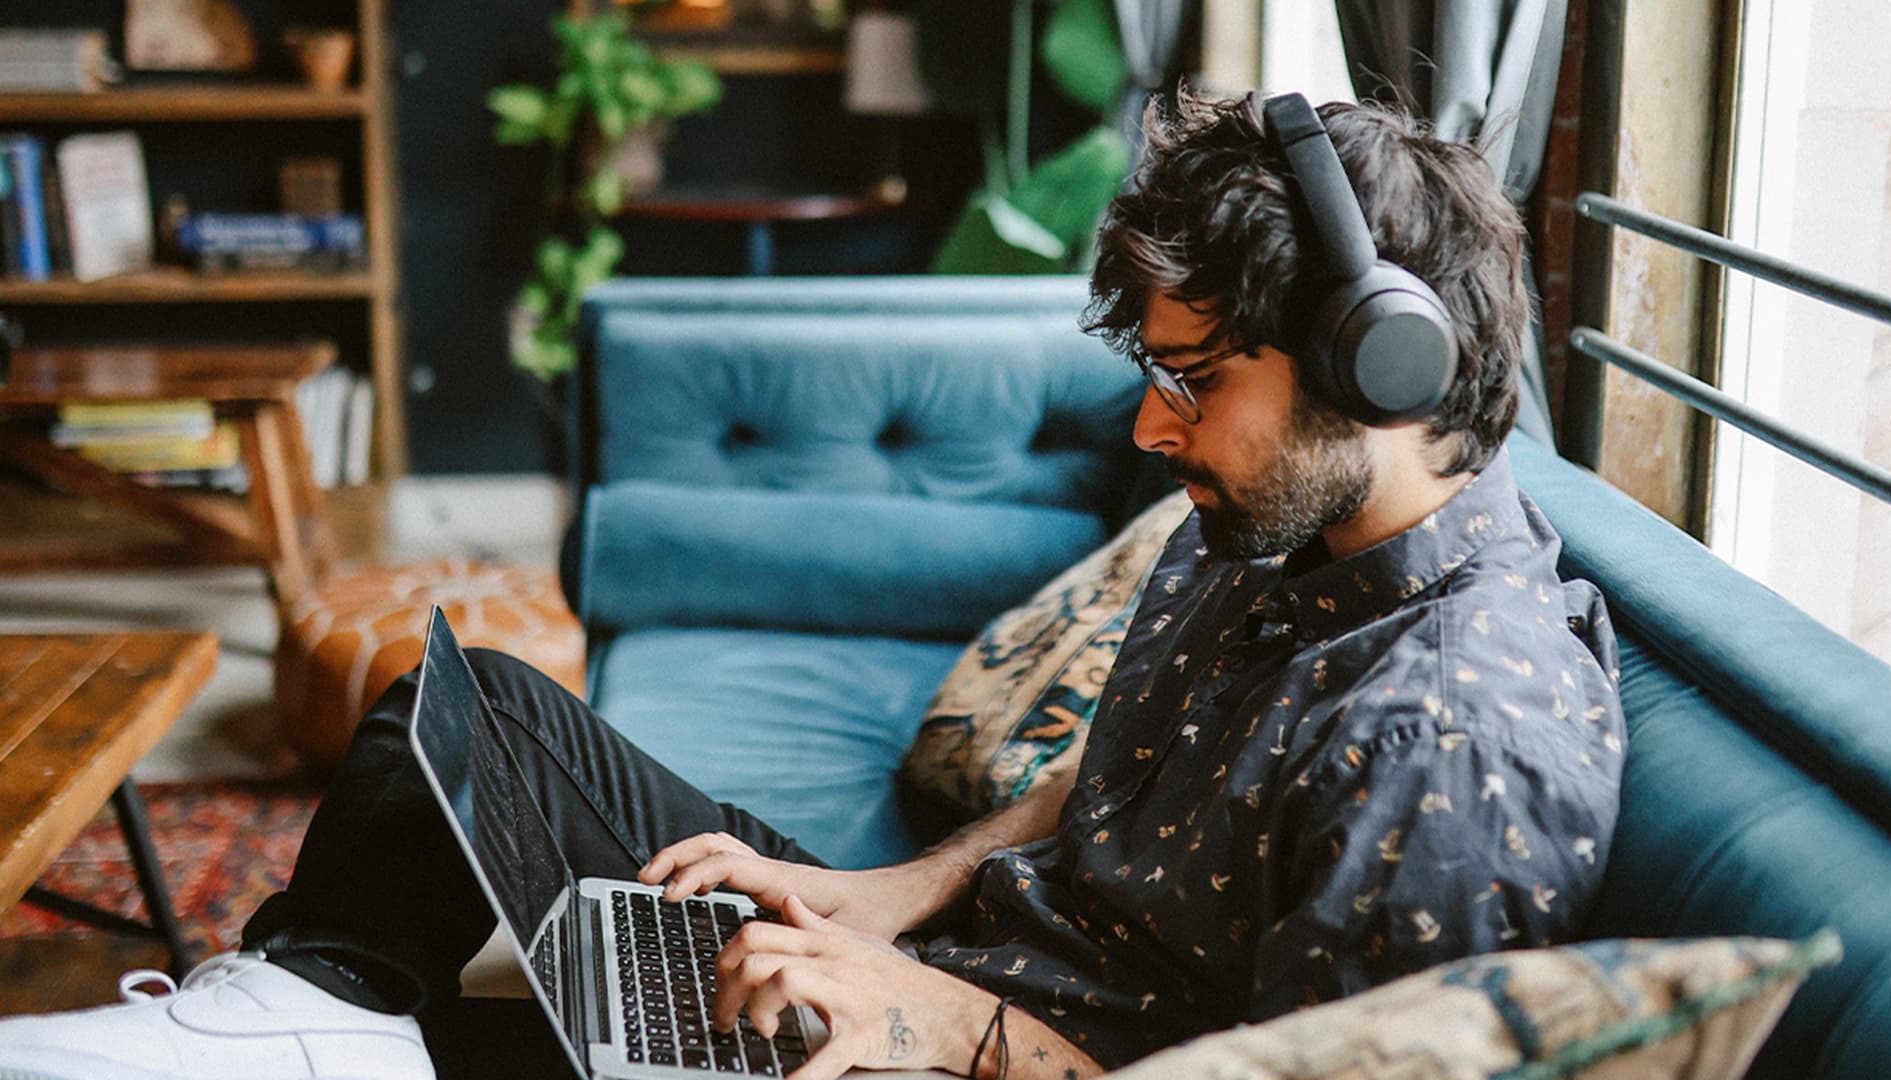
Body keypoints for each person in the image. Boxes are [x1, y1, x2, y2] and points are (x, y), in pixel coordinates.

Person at [0, 90, 1624, 1080]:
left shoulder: (1452, 740)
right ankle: (302, 1008)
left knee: (475, 1048)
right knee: (464, 704)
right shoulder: (1278, 530)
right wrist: (894, 896)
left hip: (975, 1053)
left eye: (1196, 378)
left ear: (1381, 364)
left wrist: (920, 1018)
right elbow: (1116, 768)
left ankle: (328, 1036)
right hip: (944, 972)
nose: (1152, 424)